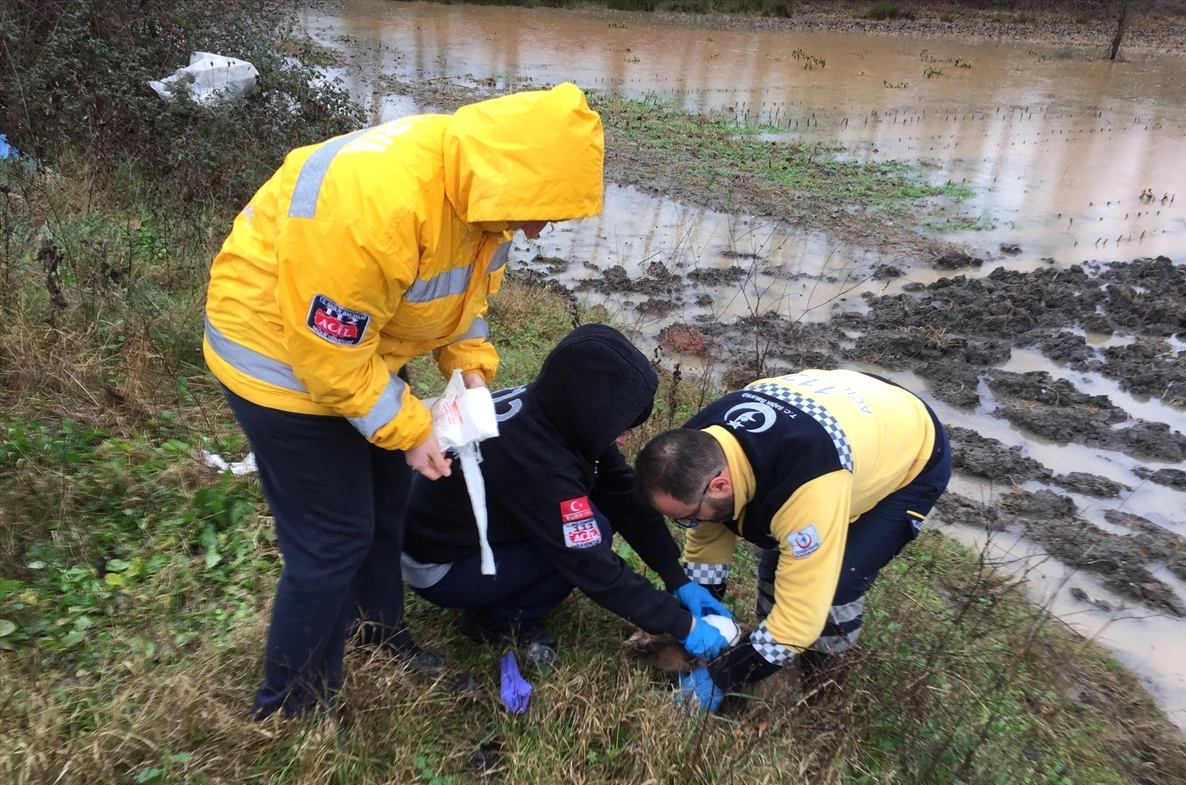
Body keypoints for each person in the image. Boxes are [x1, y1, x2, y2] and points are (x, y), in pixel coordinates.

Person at [203, 83, 604, 719]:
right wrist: (409, 427)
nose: (537, 229)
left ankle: (377, 631)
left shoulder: (481, 197)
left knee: (386, 508)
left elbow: (460, 303)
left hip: (362, 358)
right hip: (278, 360)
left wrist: (470, 369)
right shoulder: (376, 204)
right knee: (332, 537)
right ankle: (292, 706)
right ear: (508, 178)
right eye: (540, 210)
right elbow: (326, 356)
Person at [401, 324, 735, 665]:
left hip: (457, 534)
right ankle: (494, 622)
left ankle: (502, 592)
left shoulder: (553, 413)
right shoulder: (537, 464)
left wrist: (675, 576)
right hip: (442, 566)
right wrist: (682, 624)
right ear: (590, 409)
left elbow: (621, 491)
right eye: (617, 427)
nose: (621, 439)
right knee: (590, 536)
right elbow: (590, 565)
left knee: (591, 522)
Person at [635, 369, 952, 712]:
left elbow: (800, 618)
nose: (688, 526)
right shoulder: (697, 447)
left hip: (909, 449)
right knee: (767, 554)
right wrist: (697, 615)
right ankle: (769, 659)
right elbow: (709, 537)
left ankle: (821, 682)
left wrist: (723, 675)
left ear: (720, 486)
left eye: (687, 517)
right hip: (851, 408)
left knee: (834, 587)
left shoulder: (809, 486)